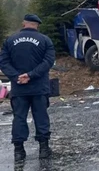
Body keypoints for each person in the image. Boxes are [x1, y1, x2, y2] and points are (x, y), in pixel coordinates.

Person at [0, 14, 55, 162]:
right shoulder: (45, 40)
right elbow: (48, 61)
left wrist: (16, 76)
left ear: (24, 24)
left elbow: (3, 62)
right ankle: (44, 150)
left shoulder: (10, 40)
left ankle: (19, 151)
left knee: (19, 118)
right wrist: (30, 75)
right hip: (39, 87)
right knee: (41, 117)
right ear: (37, 25)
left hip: (19, 88)